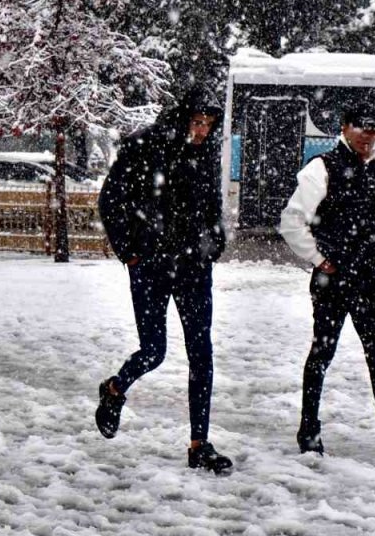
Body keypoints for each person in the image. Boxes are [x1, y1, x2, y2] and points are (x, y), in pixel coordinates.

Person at [278, 105, 375, 471]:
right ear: (345, 128)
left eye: (374, 129)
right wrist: (319, 259)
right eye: (361, 128)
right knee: (322, 353)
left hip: (369, 281)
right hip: (333, 280)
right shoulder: (323, 167)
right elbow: (292, 221)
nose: (367, 135)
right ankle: (309, 431)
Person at [94, 99, 233, 474]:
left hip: (193, 267)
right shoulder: (144, 146)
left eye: (209, 124)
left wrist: (214, 242)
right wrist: (130, 252)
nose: (203, 131)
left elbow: (212, 206)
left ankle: (199, 444)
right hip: (151, 266)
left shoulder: (204, 154)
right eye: (197, 122)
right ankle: (114, 390)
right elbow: (110, 201)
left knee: (201, 353)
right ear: (182, 118)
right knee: (154, 350)